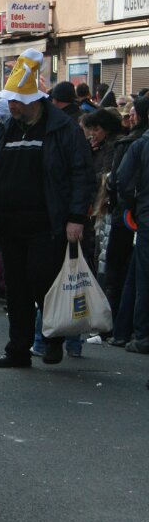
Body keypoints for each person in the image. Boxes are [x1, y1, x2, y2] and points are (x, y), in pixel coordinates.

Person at [0, 47, 96, 369]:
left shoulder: (63, 130)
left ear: (34, 101)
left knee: (43, 283)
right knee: (17, 289)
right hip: (8, 224)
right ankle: (18, 350)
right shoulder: (4, 129)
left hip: (47, 224)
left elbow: (81, 173)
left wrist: (76, 217)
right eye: (10, 101)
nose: (11, 106)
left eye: (17, 101)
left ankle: (52, 339)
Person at [116, 127, 149, 354]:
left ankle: (143, 334)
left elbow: (123, 180)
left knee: (144, 276)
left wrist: (131, 207)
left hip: (145, 216)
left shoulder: (141, 144)